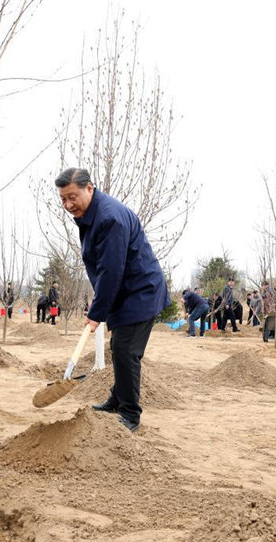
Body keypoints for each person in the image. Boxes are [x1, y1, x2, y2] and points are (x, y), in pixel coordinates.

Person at [55, 167, 168, 432]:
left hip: (140, 292)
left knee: (126, 351)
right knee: (119, 346)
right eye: (63, 199)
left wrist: (97, 313)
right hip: (125, 293)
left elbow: (111, 270)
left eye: (73, 197)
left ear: (90, 189)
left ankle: (130, 414)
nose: (68, 204)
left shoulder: (109, 219)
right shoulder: (92, 216)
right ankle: (118, 400)